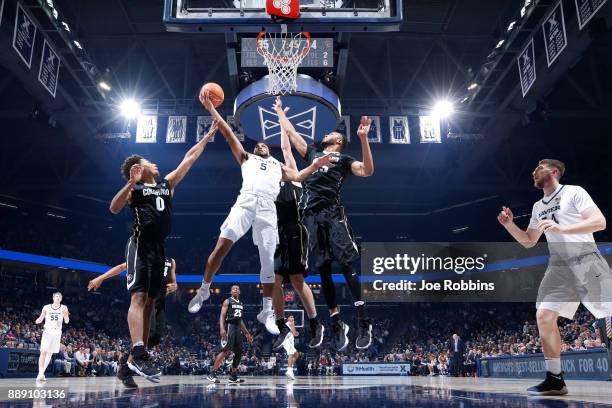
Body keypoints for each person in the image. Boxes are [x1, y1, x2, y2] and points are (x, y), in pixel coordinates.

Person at [187, 95, 337, 337]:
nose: (260, 144)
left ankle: (267, 311)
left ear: (270, 151)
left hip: (268, 209)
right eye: (257, 144)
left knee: (269, 262)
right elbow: (227, 132)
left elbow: (299, 177)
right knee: (222, 246)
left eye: (264, 145)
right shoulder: (246, 158)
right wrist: (211, 109)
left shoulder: (279, 167)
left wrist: (317, 164)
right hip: (245, 202)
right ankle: (204, 290)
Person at [109, 121, 218, 383]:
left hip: (159, 249)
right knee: (138, 298)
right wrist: (130, 183)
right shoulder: (134, 190)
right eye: (149, 161)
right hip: (140, 245)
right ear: (138, 169)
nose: (155, 164)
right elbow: (113, 208)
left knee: (149, 302)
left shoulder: (166, 185)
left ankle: (134, 361)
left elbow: (188, 160)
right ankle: (138, 351)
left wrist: (208, 137)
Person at [497, 159, 612, 395]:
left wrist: (562, 230)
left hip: (586, 259)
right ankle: (555, 379)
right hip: (559, 267)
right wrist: (510, 225)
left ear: (554, 172)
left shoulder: (574, 192)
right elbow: (529, 241)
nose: (533, 170)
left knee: (610, 316)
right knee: (544, 315)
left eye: (539, 166)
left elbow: (599, 222)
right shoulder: (539, 207)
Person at [274, 96, 375, 350]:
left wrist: (364, 139)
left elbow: (367, 171)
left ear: (338, 142)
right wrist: (279, 113)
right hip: (310, 217)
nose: (327, 133)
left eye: (332, 133)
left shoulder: (344, 159)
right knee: (323, 271)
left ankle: (364, 321)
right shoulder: (314, 155)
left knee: (346, 265)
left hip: (332, 214)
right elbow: (292, 134)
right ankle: (337, 323)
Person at [272, 125, 324, 350]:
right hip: (278, 231)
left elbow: (285, 147)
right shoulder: (270, 183)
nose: (280, 164)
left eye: (281, 163)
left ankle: (315, 323)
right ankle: (281, 325)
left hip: (297, 229)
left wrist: (282, 120)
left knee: (296, 280)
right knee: (272, 280)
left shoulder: (294, 177)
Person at [206, 285, 253, 384]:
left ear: (239, 292)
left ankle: (233, 376)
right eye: (233, 289)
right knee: (225, 350)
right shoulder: (227, 301)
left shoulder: (241, 303)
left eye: (237, 289)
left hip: (237, 329)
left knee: (239, 352)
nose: (235, 290)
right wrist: (222, 328)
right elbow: (222, 316)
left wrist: (246, 333)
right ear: (231, 292)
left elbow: (240, 320)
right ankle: (212, 374)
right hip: (230, 327)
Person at [34, 292, 69, 382]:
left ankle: (41, 373)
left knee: (50, 353)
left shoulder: (64, 307)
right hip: (48, 330)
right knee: (43, 351)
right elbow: (41, 318)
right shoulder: (46, 307)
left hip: (57, 332)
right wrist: (38, 320)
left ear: (61, 299)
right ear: (53, 298)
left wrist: (67, 315)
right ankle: (40, 373)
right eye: (56, 296)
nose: (58, 298)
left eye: (59, 297)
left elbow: (66, 321)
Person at [281, 315, 300, 380]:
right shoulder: (290, 323)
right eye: (291, 317)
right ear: (288, 318)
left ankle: (290, 369)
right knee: (291, 354)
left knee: (296, 354)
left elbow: (293, 333)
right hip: (287, 341)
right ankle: (289, 370)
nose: (292, 318)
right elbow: (294, 333)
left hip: (289, 341)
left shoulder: (290, 324)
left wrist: (295, 333)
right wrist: (296, 333)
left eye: (293, 317)